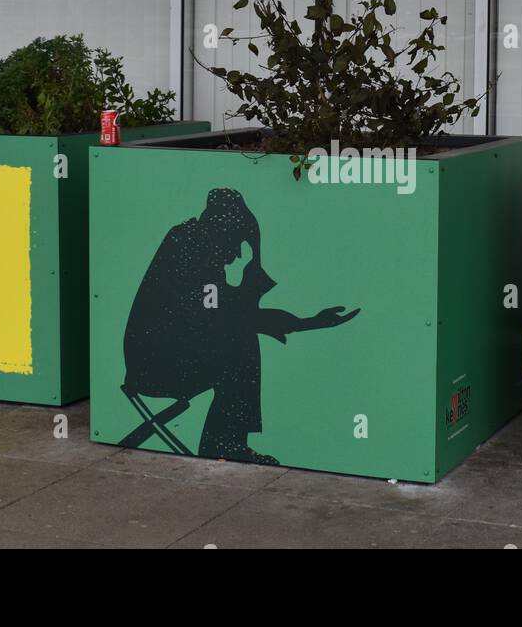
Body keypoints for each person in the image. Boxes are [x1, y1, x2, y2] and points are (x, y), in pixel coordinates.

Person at [122, 188, 358, 464]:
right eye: (235, 243)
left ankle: (226, 444)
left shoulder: (196, 245)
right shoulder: (190, 247)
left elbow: (218, 313)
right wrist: (298, 320)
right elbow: (215, 317)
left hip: (167, 354)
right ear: (221, 231)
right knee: (240, 349)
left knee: (238, 341)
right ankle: (226, 446)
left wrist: (259, 291)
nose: (235, 255)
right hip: (156, 366)